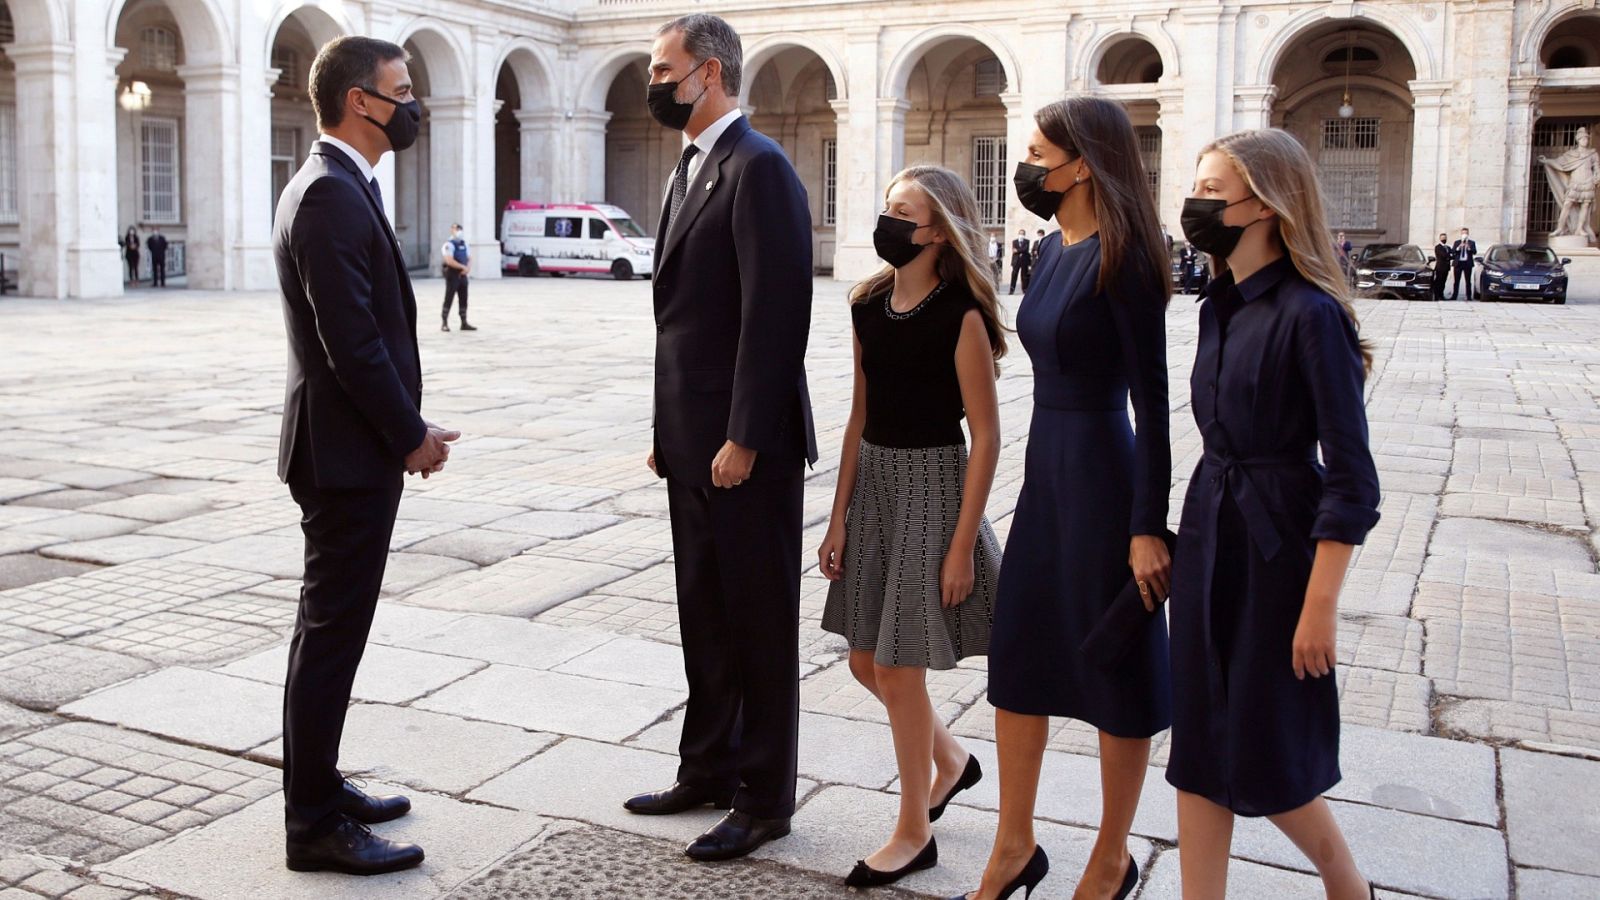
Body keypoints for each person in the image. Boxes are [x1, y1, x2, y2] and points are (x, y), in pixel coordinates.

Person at [957, 95, 1172, 900]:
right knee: (1019, 663)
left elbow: (1153, 407)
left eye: (1042, 153)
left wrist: (1148, 526)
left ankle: (1111, 856)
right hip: (1046, 476)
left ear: (1083, 163)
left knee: (1117, 669)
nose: (1030, 167)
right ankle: (1013, 845)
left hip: (1105, 477)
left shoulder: (1128, 257)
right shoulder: (1049, 251)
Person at [624, 13, 818, 864]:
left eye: (664, 69)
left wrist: (742, 436)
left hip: (747, 448)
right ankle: (707, 764)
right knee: (703, 610)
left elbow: (775, 319)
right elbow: (684, 320)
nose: (654, 82)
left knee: (758, 618)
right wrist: (669, 429)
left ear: (709, 73)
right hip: (692, 439)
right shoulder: (692, 169)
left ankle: (766, 794)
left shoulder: (760, 168)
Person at [1169, 127, 1381, 900]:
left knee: (1265, 744)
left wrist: (1318, 606)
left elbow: (1353, 480)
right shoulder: (1215, 305)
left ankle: (1344, 881)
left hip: (1278, 546)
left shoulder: (1310, 314)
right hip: (1209, 529)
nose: (1196, 205)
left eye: (1212, 192)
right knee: (1197, 742)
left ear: (1266, 204)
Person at [273, 35, 460, 876]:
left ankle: (321, 785)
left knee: (335, 633)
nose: (413, 101)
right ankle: (312, 824)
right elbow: (351, 346)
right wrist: (408, 436)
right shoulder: (328, 196)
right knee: (330, 634)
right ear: (360, 101)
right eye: (402, 88)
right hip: (344, 457)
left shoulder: (343, 186)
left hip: (350, 451)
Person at [818, 165, 1006, 889]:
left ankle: (912, 831)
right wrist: (836, 516)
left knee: (898, 666)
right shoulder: (867, 303)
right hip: (875, 486)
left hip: (933, 487)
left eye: (905, 212)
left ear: (939, 231)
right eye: (887, 207)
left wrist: (962, 546)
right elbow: (859, 412)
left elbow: (986, 437)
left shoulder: (961, 314)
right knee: (866, 662)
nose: (889, 222)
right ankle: (952, 761)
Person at [440, 223, 475, 331]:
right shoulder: (448, 245)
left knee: (464, 298)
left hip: (463, 275)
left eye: (460, 229)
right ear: (452, 230)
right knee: (449, 298)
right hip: (453, 274)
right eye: (456, 228)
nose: (459, 231)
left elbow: (469, 258)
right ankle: (444, 323)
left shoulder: (464, 244)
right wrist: (462, 267)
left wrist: (467, 268)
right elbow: (449, 260)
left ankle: (464, 322)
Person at [1450, 228, 1477, 301]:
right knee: (1456, 281)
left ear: (1468, 234)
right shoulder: (1457, 242)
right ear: (1461, 234)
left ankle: (1468, 296)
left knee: (1468, 281)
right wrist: (1459, 247)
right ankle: (1454, 295)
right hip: (1458, 263)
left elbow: (1474, 252)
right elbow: (1453, 251)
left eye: (1466, 233)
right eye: (1463, 233)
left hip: (1467, 263)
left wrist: (1469, 248)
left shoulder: (1472, 243)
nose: (1464, 234)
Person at [1009, 228, 1032, 294]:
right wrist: (1020, 250)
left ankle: (1024, 290)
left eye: (1023, 234)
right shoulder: (1014, 241)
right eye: (1020, 233)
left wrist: (1018, 250)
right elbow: (1014, 250)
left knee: (1024, 276)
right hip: (1016, 261)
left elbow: (1025, 249)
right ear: (1018, 234)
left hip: (1024, 261)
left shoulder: (1027, 241)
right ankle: (1011, 290)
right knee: (1014, 275)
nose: (1021, 235)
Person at [1432, 232, 1450, 302]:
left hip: (1446, 267)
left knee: (1443, 282)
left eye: (1445, 238)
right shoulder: (1438, 247)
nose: (1444, 239)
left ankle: (1441, 295)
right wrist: (1449, 256)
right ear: (1440, 239)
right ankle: (1436, 296)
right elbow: (1443, 255)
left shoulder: (1448, 247)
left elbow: (1452, 255)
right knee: (1438, 281)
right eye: (1442, 238)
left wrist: (1449, 256)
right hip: (1440, 267)